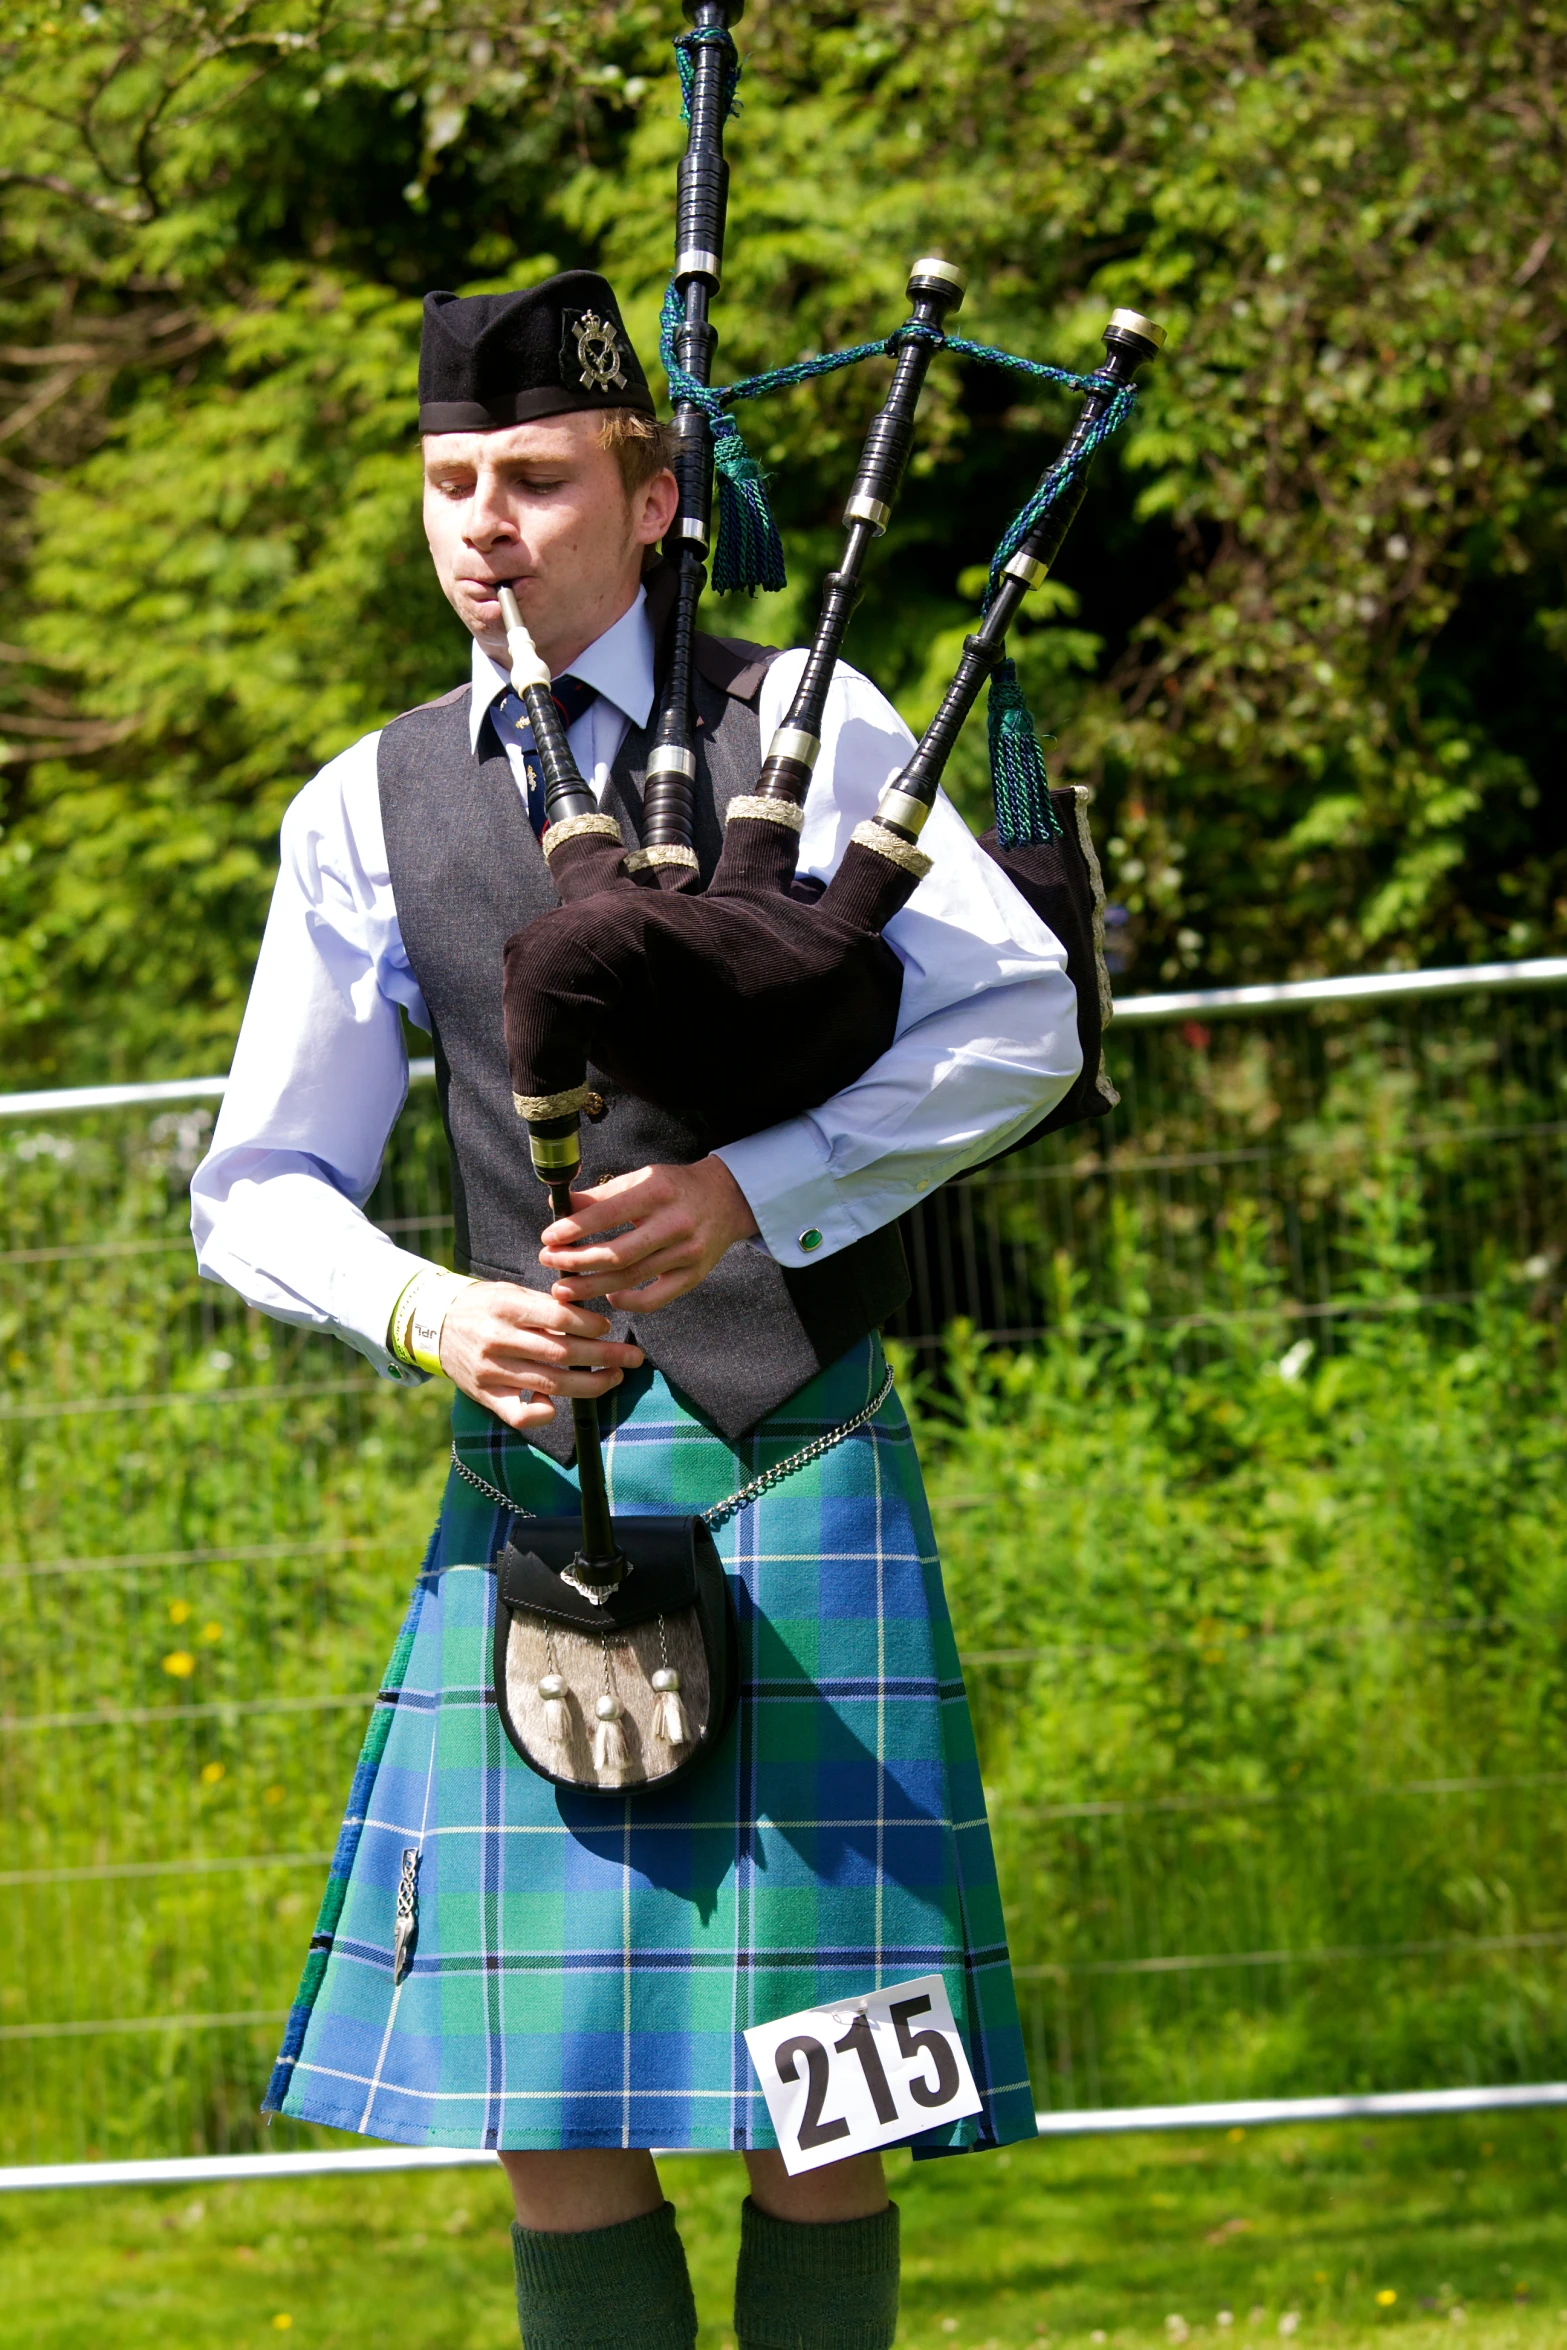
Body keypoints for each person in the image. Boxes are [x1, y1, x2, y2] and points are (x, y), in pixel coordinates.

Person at [192, 270, 1081, 2350]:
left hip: (802, 1467)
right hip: (537, 1486)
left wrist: (749, 1191)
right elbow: (258, 1184)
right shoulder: (368, 802)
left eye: (533, 476)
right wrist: (428, 1311)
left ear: (655, 492)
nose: (481, 524)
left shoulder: (820, 719)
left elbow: (1020, 1014)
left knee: (831, 2095)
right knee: (548, 2094)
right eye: (446, 482)